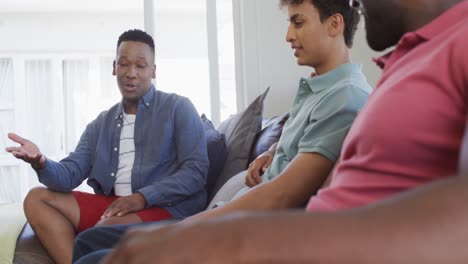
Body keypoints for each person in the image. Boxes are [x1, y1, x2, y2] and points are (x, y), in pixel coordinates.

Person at [77, 0, 468, 262]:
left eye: (297, 22)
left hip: (295, 242)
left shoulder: (453, 47)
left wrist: (208, 237)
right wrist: (275, 149)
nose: (354, 4)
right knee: (98, 248)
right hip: (296, 236)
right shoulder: (407, 60)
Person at [5, 29, 209, 264]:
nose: (131, 73)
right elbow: (70, 174)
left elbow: (196, 171)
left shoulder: (178, 108)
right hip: (116, 206)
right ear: (114, 68)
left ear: (153, 71)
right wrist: (41, 162)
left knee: (103, 231)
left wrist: (141, 198)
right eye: (124, 64)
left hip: (166, 208)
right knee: (36, 199)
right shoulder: (101, 124)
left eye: (141, 66)